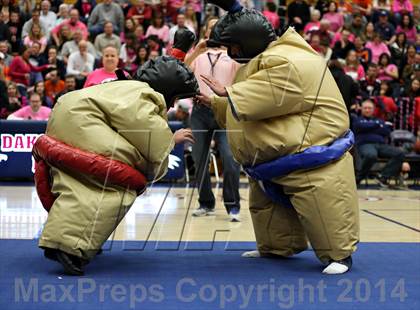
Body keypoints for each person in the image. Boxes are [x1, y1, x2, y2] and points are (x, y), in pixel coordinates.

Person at [197, 0, 359, 274]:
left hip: (312, 155)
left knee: (324, 204)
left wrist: (231, 94)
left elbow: (271, 94)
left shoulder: (290, 60)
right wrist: (215, 103)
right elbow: (247, 111)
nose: (232, 53)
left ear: (249, 41)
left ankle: (338, 255)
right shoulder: (259, 61)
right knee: (268, 205)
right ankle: (276, 246)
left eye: (234, 46)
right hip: (274, 158)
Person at [33, 56, 199, 275]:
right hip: (83, 120)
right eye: (175, 98)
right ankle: (69, 247)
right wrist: (171, 140)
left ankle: (70, 238)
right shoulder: (145, 95)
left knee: (78, 181)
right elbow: (150, 136)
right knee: (122, 178)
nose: (172, 104)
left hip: (66, 114)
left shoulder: (125, 86)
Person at [187, 17, 242, 221]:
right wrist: (196, 52)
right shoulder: (199, 54)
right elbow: (181, 70)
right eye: (211, 27)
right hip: (200, 111)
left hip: (225, 111)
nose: (215, 30)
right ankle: (206, 203)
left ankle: (233, 205)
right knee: (199, 158)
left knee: (230, 158)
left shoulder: (233, 54)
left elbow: (239, 83)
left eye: (219, 27)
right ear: (206, 32)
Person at [352, 99, 405, 186]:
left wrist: (369, 128)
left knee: (399, 153)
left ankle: (382, 177)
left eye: (369, 108)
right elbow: (360, 127)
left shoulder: (379, 120)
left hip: (381, 145)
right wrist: (377, 125)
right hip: (365, 144)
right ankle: (358, 178)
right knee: (371, 155)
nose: (367, 110)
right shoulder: (357, 120)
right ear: (361, 109)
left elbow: (386, 131)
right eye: (365, 108)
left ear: (373, 110)